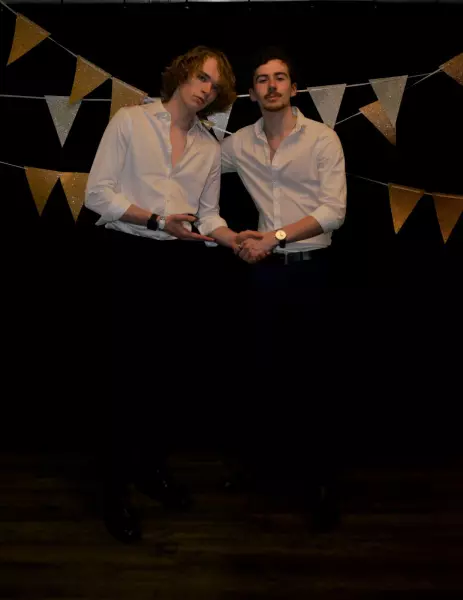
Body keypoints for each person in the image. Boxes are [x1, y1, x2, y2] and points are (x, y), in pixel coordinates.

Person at [85, 46, 260, 544]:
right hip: (128, 256)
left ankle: (150, 471)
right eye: (201, 77)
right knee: (124, 378)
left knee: (165, 377)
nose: (206, 89)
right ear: (182, 74)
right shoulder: (129, 122)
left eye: (215, 85)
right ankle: (114, 491)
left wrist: (235, 239)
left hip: (179, 265)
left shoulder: (209, 146)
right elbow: (98, 194)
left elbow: (208, 215)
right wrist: (158, 220)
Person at [220, 47, 347, 531]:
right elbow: (194, 164)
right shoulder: (239, 143)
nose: (271, 85)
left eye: (280, 78)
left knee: (315, 378)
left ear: (294, 88)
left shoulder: (323, 138)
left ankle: (321, 482)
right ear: (251, 93)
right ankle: (262, 469)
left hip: (312, 270)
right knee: (262, 372)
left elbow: (334, 211)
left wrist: (274, 236)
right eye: (262, 79)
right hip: (265, 274)